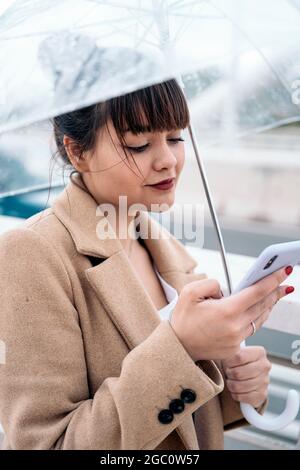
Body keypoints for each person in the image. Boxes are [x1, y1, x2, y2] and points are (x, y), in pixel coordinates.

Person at [0, 79, 294, 450]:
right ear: (77, 153)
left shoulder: (164, 247)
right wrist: (182, 348)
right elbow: (48, 444)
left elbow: (184, 422)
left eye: (175, 137)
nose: (168, 160)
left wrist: (238, 386)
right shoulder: (31, 253)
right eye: (138, 144)